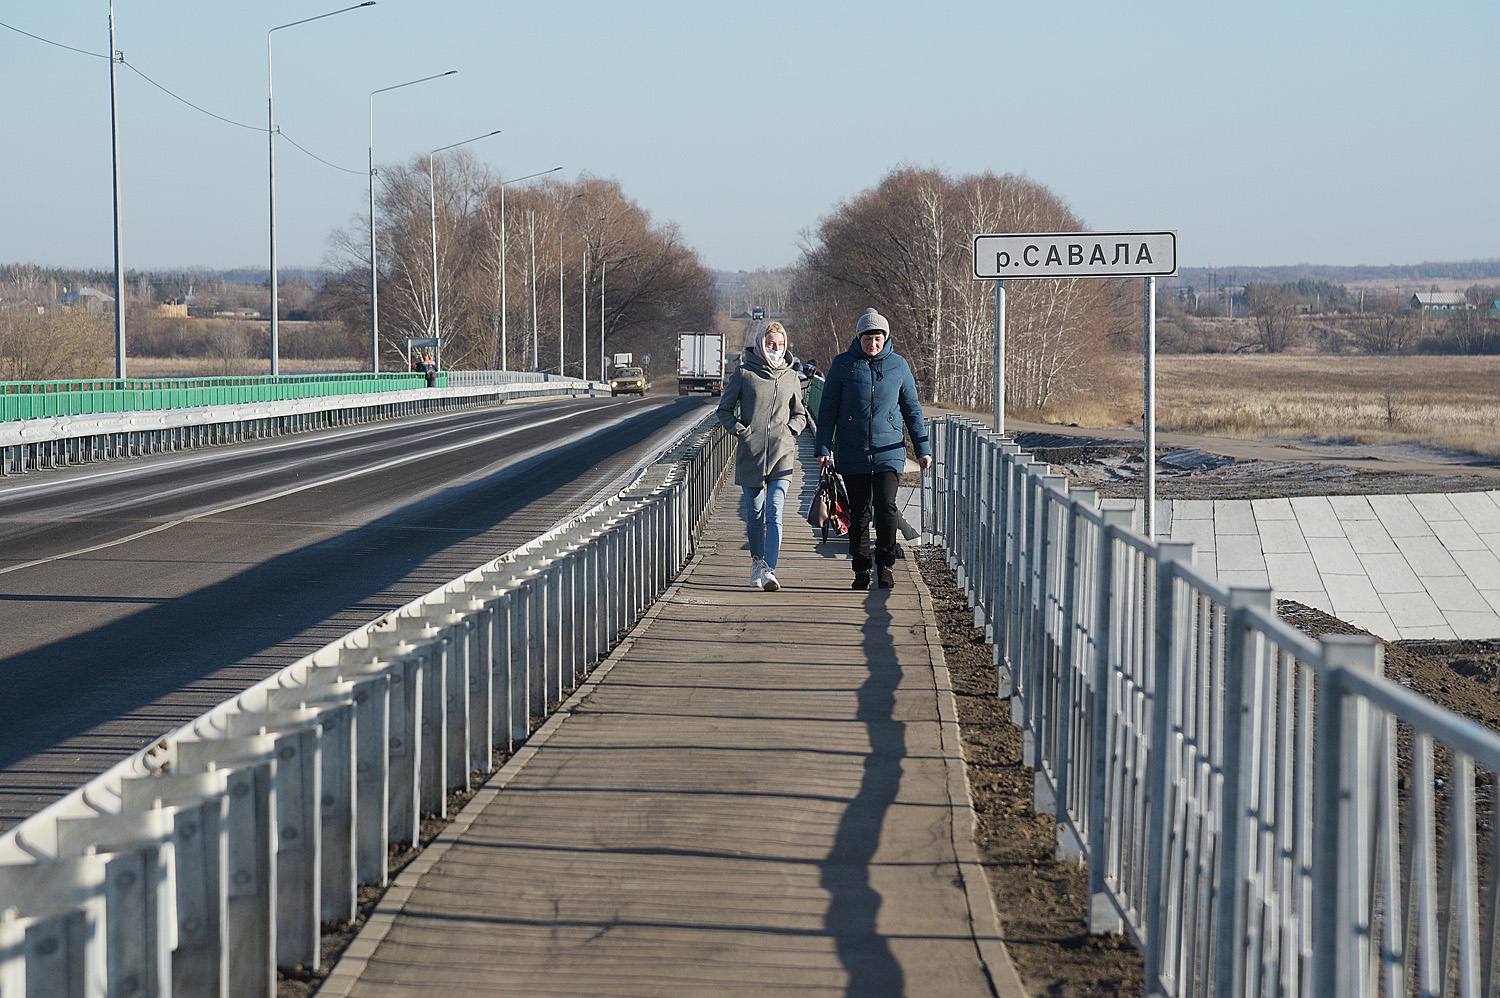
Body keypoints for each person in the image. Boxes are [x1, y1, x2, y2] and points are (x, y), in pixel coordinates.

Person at [814, 307, 932, 590]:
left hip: (888, 450)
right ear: (859, 338)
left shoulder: (898, 366)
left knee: (887, 507)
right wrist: (823, 447)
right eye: (868, 338)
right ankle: (861, 569)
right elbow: (827, 409)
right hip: (853, 450)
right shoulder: (842, 365)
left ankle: (886, 564)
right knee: (859, 511)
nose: (873, 343)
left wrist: (922, 448)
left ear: (886, 338)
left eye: (878, 338)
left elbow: (912, 410)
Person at [717, 321, 808, 592]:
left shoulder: (791, 376)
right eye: (771, 344)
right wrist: (740, 430)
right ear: (761, 344)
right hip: (751, 455)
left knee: (774, 511)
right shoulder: (744, 374)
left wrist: (790, 431)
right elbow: (724, 410)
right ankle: (757, 562)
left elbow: (801, 413)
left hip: (782, 454)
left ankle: (770, 569)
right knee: (755, 515)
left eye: (781, 345)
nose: (776, 350)